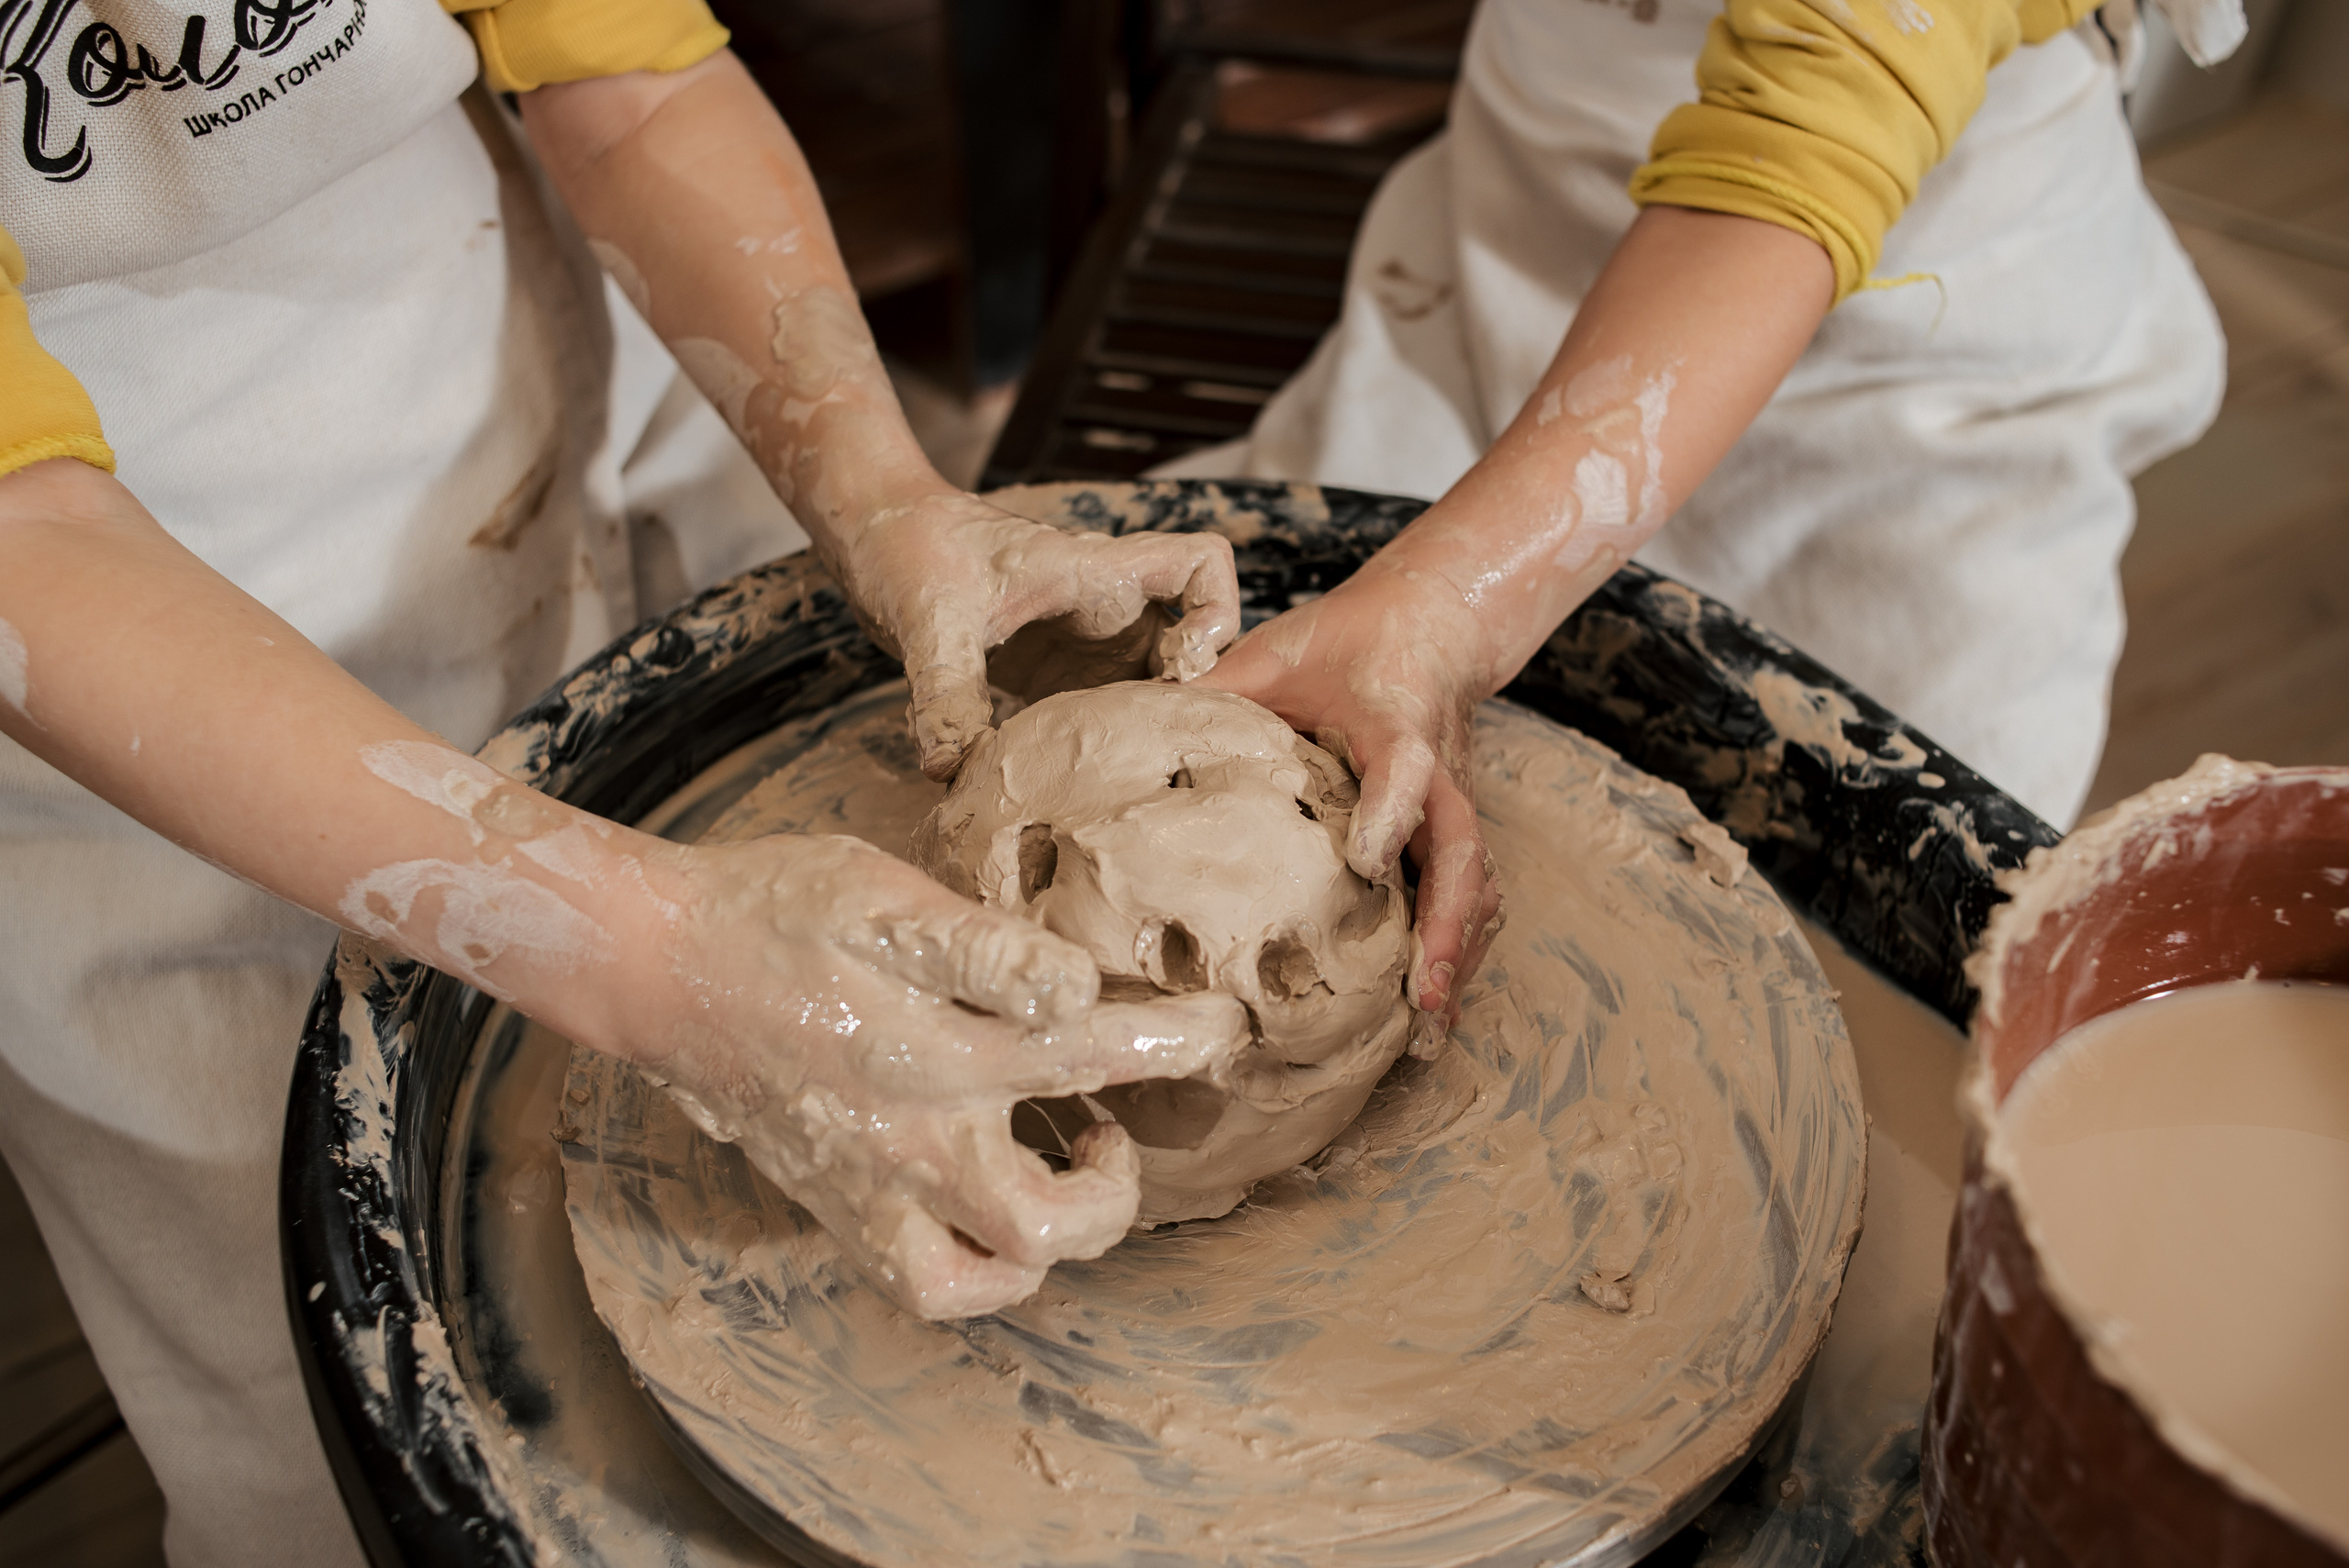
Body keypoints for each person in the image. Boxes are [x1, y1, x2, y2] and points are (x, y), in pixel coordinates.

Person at [0, 2, 1249, 1561]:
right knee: (336, 1424)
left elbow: (632, 79)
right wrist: (657, 953)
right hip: (120, 709)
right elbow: (23, 531)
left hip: (506, 353)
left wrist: (878, 490)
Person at [1167, 0, 2243, 1028]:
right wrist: (1424, 594)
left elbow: (1806, 132)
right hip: (1531, 224)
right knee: (1290, 651)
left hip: (1916, 344)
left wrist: (1446, 599)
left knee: (1911, 866)